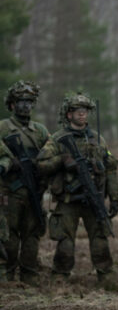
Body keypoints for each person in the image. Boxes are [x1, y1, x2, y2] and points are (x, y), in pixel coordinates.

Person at [37, 91, 118, 287]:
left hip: (93, 199)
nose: (82, 114)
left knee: (100, 239)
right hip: (68, 200)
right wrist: (63, 160)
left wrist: (115, 197)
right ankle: (60, 276)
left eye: (84, 111)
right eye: (77, 111)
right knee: (65, 242)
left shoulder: (98, 139)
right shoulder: (58, 139)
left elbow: (110, 169)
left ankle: (106, 276)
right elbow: (41, 164)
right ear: (69, 115)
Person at [0, 81, 50, 286]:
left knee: (32, 233)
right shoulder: (3, 127)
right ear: (11, 104)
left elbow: (50, 155)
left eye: (29, 102)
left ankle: (29, 275)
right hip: (9, 191)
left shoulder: (40, 130)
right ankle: (7, 274)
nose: (25, 106)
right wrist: (10, 163)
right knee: (7, 234)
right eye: (20, 101)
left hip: (33, 192)